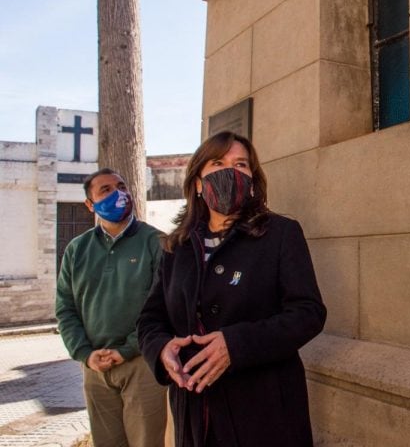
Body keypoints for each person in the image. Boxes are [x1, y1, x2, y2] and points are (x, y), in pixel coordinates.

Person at [137, 131, 326, 447]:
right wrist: (160, 350)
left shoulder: (281, 234)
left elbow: (308, 313)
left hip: (264, 414)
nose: (231, 171)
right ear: (198, 182)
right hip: (196, 414)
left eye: (241, 164)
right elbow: (150, 320)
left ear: (252, 180)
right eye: (217, 163)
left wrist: (236, 345)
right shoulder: (176, 247)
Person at [55, 168, 167, 447]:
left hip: (142, 363)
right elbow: (65, 308)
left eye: (121, 186)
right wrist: (85, 353)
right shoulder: (76, 250)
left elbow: (164, 305)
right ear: (90, 204)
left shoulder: (157, 243)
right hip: (95, 367)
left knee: (147, 442)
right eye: (105, 190)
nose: (119, 194)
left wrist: (127, 349)